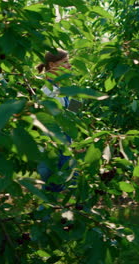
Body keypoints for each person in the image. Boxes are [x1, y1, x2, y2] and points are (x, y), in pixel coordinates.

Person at [36, 48, 77, 192]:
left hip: (62, 148)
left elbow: (71, 116)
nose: (69, 66)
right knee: (51, 190)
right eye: (65, 62)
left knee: (60, 188)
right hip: (51, 150)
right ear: (53, 65)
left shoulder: (60, 88)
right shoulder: (46, 91)